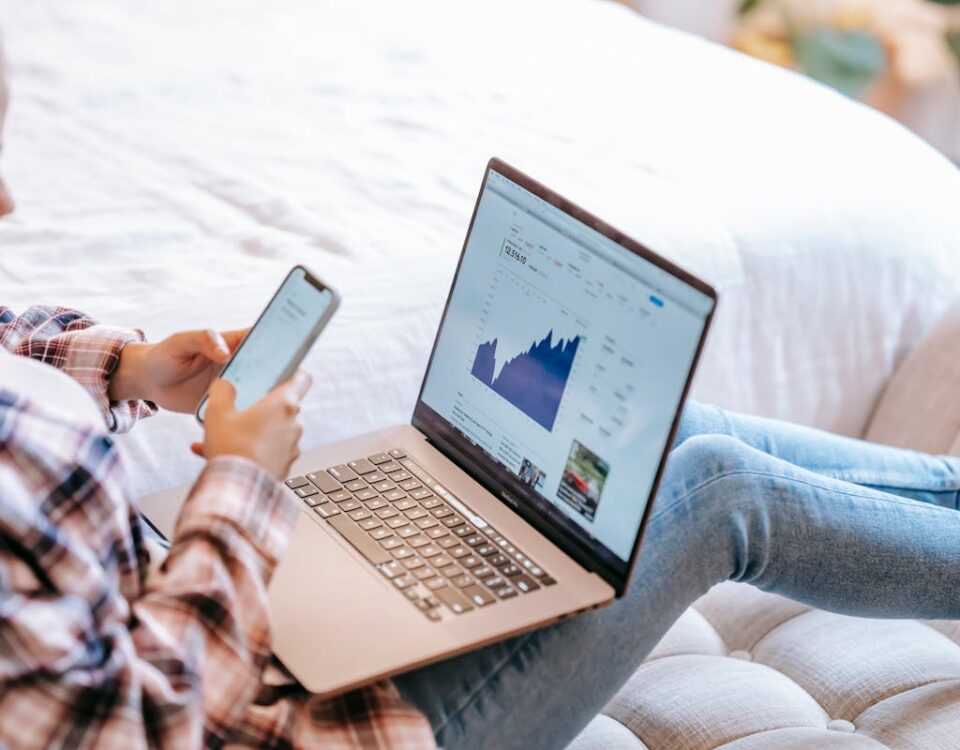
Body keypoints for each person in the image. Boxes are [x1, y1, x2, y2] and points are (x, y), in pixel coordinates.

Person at [1, 46, 958, 750]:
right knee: (711, 489)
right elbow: (135, 731)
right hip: (299, 725)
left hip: (196, 611)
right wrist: (243, 486)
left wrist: (120, 366)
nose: (9, 201)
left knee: (673, 439)